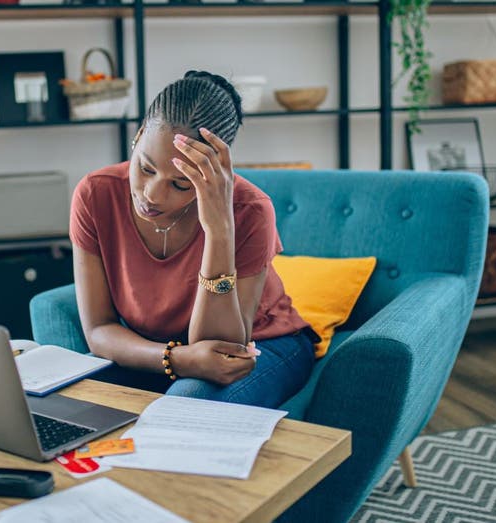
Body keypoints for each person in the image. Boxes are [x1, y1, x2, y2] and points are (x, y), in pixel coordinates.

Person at [69, 70, 318, 409]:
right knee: (72, 393)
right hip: (171, 350)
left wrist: (219, 231)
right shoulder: (96, 194)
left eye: (181, 184)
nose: (152, 195)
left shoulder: (250, 210)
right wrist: (178, 359)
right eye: (145, 168)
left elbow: (221, 346)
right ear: (139, 136)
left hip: (261, 345)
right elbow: (99, 329)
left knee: (192, 401)